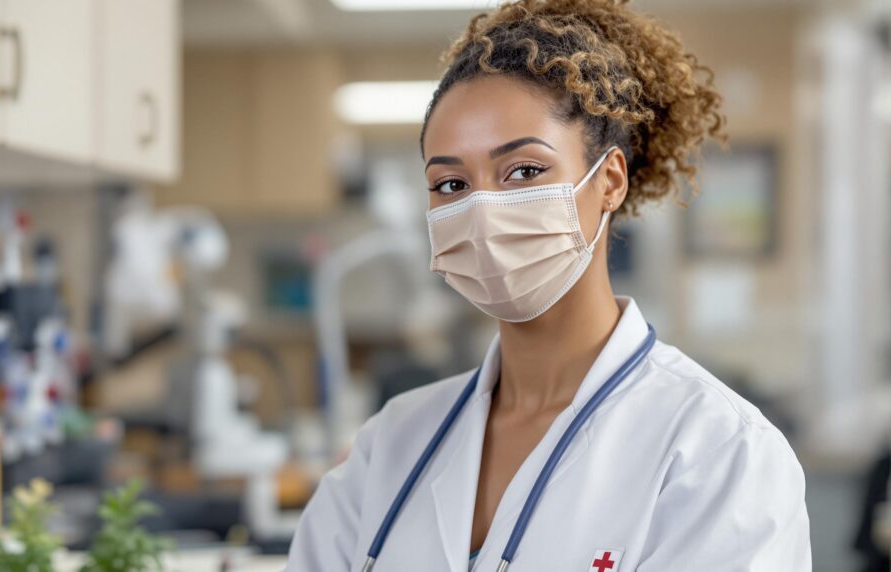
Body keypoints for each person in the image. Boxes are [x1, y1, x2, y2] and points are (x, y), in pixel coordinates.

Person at [286, 0, 811, 570]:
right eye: (451, 183)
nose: (482, 209)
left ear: (609, 182)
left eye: (525, 172)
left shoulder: (718, 451)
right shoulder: (389, 446)